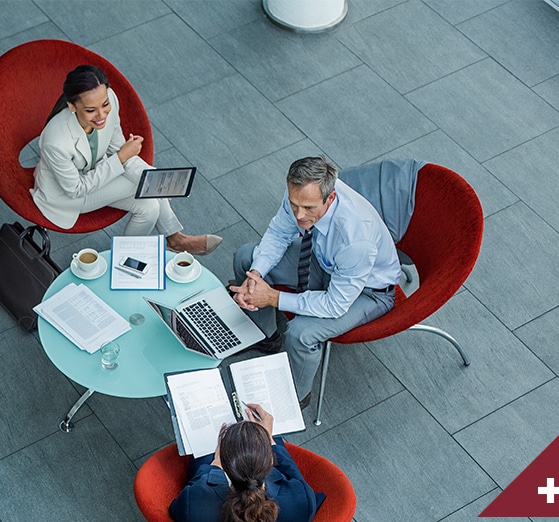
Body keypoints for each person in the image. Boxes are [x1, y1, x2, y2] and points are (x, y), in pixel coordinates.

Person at [230, 156, 400, 408]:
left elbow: (335, 305)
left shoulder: (356, 239)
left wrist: (272, 297)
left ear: (330, 198)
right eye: (294, 204)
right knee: (247, 257)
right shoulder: (302, 193)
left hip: (369, 292)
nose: (299, 215)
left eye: (309, 208)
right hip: (325, 261)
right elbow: (279, 233)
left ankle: (296, 396)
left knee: (300, 333)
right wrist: (256, 275)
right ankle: (266, 337)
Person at [30, 65, 222, 254]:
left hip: (97, 172)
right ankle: (176, 239)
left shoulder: (110, 99)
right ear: (72, 106)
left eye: (105, 105)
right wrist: (146, 176)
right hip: (66, 195)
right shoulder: (55, 141)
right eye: (91, 110)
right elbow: (76, 189)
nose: (102, 115)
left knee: (150, 207)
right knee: (147, 189)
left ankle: (126, 260)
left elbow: (117, 150)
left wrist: (153, 176)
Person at [169, 404, 323, 522]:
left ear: (225, 465)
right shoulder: (302, 500)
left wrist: (215, 465)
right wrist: (269, 438)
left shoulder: (193, 503)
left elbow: (176, 510)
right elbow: (291, 472)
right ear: (270, 461)